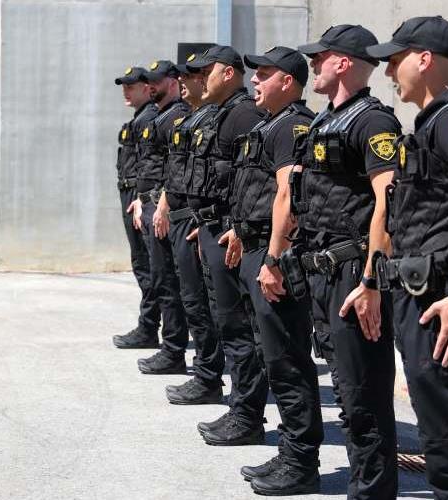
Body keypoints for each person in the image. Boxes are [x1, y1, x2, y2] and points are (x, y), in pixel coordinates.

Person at [368, 16, 448, 498]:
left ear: (424, 59)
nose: (388, 72)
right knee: (446, 435)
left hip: (446, 304)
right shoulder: (430, 124)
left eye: (395, 61)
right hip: (425, 297)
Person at [293, 24, 401, 498]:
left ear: (343, 62)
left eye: (319, 58)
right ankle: (365, 484)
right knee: (344, 387)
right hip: (324, 272)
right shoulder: (326, 120)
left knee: (364, 394)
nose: (313, 66)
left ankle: (373, 490)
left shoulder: (373, 122)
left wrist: (373, 281)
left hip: (355, 274)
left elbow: (388, 204)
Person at [232, 47, 323, 495]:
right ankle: (291, 451)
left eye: (264, 74)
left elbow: (288, 195)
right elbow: (257, 192)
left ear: (287, 81)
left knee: (288, 360)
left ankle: (302, 461)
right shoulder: (271, 123)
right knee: (272, 356)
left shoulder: (292, 126)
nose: (255, 80)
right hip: (256, 248)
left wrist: (273, 259)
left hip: (276, 258)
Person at [178, 46, 269, 447]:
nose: (200, 79)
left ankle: (247, 416)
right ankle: (240, 409)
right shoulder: (222, 113)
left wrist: (234, 227)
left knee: (239, 327)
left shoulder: (244, 114)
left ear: (228, 73)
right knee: (227, 323)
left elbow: (253, 182)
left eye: (206, 72)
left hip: (231, 235)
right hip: (214, 229)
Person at [158, 49, 227, 404]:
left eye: (191, 75)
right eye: (182, 76)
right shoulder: (190, 120)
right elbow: (176, 173)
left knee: (204, 305)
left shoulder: (217, 119)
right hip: (184, 219)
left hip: (198, 222)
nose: (183, 81)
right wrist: (163, 205)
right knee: (192, 301)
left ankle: (209, 377)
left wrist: (210, 221)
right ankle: (204, 374)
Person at [126, 60, 192, 373]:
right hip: (152, 205)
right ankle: (171, 348)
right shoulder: (160, 116)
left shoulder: (177, 116)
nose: (150, 86)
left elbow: (173, 169)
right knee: (162, 280)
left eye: (156, 81)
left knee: (170, 284)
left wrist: (161, 205)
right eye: (148, 81)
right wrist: (142, 200)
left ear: (173, 82)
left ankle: (174, 351)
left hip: (164, 209)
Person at [110, 66, 163, 349]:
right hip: (130, 192)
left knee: (148, 265)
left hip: (137, 195)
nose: (125, 92)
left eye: (131, 86)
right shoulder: (139, 119)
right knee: (141, 263)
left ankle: (149, 327)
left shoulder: (149, 119)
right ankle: (149, 325)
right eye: (124, 87)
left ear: (147, 88)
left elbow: (151, 163)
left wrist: (142, 198)